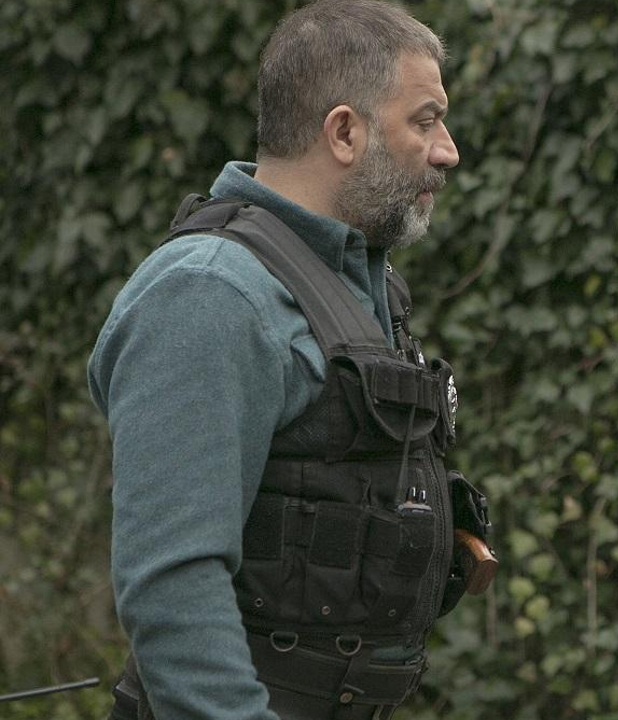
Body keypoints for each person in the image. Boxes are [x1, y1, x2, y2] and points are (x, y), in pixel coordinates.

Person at [89, 2, 494, 718]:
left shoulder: (361, 285)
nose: (448, 150)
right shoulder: (210, 294)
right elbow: (172, 589)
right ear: (344, 131)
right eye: (426, 120)